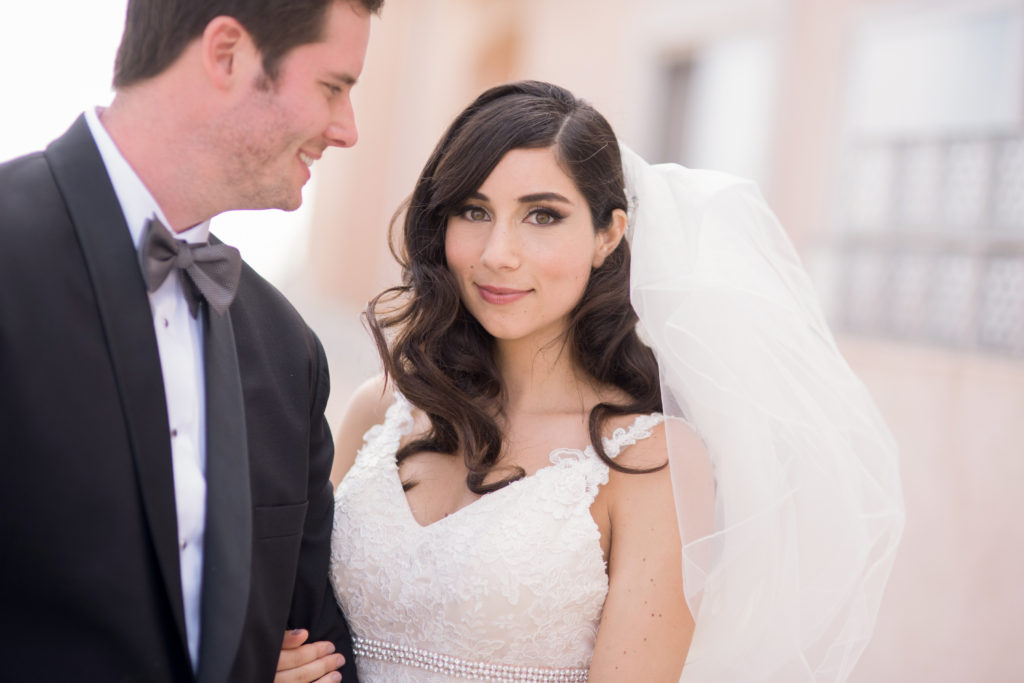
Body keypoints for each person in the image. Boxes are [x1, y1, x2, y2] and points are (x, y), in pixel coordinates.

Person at [286, 80, 904, 681]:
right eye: (474, 211)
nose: (498, 253)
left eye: (542, 216)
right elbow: (299, 614)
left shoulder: (650, 461)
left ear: (608, 234)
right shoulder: (380, 410)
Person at [0, 1, 381, 681]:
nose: (347, 128)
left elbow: (320, 640)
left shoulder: (288, 351)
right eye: (333, 86)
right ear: (227, 54)